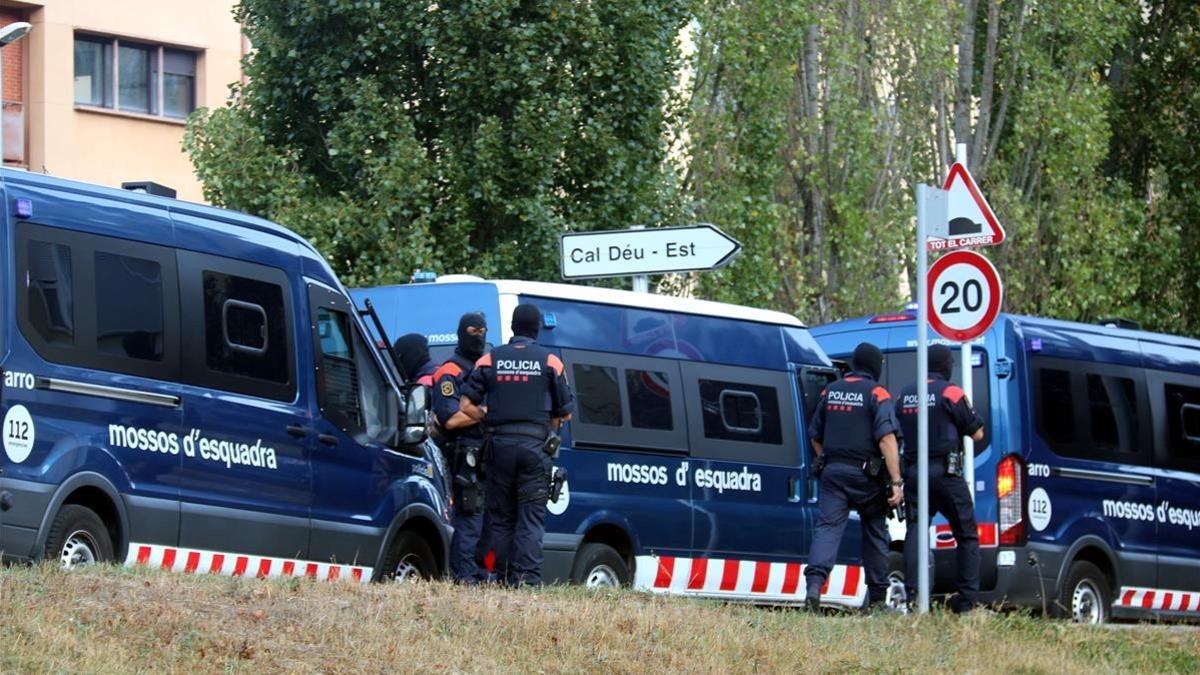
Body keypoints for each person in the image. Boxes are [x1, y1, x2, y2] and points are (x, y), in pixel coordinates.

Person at [459, 303, 574, 586]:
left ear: (512, 328)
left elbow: (465, 404)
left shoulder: (489, 359)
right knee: (530, 518)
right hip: (535, 449)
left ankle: (499, 577)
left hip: (498, 447)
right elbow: (565, 413)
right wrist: (548, 433)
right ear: (536, 329)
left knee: (500, 517)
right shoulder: (551, 361)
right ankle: (527, 583)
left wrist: (488, 421)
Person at [804, 342, 902, 611]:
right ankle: (878, 600)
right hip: (866, 478)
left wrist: (826, 457)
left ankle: (814, 587)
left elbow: (815, 435)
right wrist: (895, 481)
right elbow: (886, 439)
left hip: (833, 473)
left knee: (827, 529)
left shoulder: (830, 391)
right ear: (874, 366)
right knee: (875, 532)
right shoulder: (878, 394)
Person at [897, 344, 985, 613]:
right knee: (966, 534)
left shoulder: (906, 394)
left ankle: (914, 594)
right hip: (945, 474)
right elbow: (977, 433)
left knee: (915, 530)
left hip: (913, 474)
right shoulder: (951, 391)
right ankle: (966, 601)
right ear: (947, 367)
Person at [431, 312, 491, 584]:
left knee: (490, 525)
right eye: (472, 330)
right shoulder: (448, 372)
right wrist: (487, 413)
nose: (478, 335)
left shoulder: (486, 369)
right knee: (469, 521)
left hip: (489, 456)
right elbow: (451, 419)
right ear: (461, 332)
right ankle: (464, 580)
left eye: (482, 331)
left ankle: (485, 576)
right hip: (462, 456)